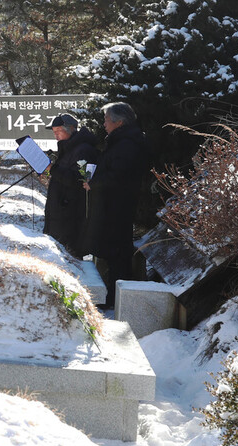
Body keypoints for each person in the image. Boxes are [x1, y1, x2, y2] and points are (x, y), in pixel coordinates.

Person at [84, 102, 150, 308]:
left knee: (117, 253)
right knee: (113, 251)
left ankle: (115, 299)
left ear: (119, 122)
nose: (103, 124)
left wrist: (93, 183)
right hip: (113, 204)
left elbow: (117, 175)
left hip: (118, 206)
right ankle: (112, 297)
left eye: (106, 119)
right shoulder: (121, 140)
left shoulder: (127, 144)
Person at [42, 114, 98, 258]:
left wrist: (52, 169)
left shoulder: (83, 150)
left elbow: (79, 179)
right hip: (61, 212)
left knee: (69, 255)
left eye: (58, 132)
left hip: (71, 214)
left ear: (71, 129)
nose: (56, 137)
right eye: (54, 133)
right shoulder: (68, 148)